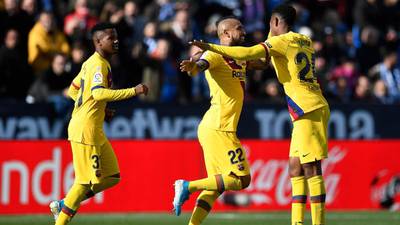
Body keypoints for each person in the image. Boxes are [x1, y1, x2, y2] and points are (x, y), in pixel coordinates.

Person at [191, 4, 330, 225]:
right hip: (309, 106)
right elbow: (263, 59)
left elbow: (249, 53)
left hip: (307, 108)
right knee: (295, 168)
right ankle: (297, 222)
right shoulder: (305, 40)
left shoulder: (279, 42)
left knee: (311, 168)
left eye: (270, 25)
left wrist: (209, 46)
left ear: (275, 23)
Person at [49, 22, 149, 225]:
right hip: (86, 129)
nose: (116, 41)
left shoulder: (92, 62)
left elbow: (73, 90)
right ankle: (61, 221)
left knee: (112, 176)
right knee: (84, 182)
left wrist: (101, 109)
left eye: (116, 37)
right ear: (98, 42)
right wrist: (133, 91)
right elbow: (97, 92)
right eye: (111, 38)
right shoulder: (98, 64)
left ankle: (63, 204)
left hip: (94, 129)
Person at [174, 16, 268, 225]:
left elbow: (262, 64)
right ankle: (187, 186)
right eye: (239, 28)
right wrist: (194, 66)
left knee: (216, 186)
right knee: (241, 180)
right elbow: (202, 63)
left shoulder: (239, 55)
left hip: (214, 127)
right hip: (219, 127)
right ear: (225, 33)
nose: (244, 31)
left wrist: (272, 44)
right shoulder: (215, 55)